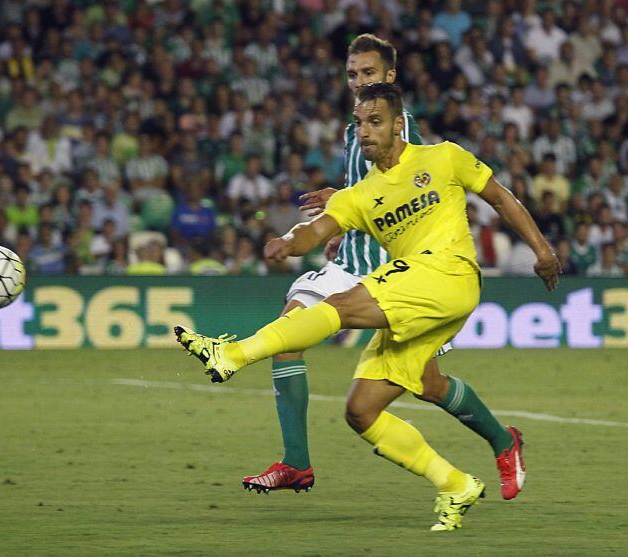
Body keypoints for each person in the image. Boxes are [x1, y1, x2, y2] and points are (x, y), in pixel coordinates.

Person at [176, 83, 560, 532]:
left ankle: (234, 355)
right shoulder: (359, 195)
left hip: (450, 273)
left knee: (344, 304)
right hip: (421, 293)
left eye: (375, 121)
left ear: (399, 124)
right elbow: (316, 231)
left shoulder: (443, 157)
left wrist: (542, 249)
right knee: (362, 410)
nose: (366, 132)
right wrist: (287, 241)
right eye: (359, 123)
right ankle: (455, 483)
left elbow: (499, 197)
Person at [241, 34, 524, 506]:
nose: (358, 82)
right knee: (288, 332)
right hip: (353, 261)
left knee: (429, 384)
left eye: (368, 74)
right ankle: (296, 462)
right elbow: (366, 193)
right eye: (352, 74)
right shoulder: (358, 126)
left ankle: (501, 441)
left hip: (396, 271)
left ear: (390, 78)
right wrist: (340, 213)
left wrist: (349, 213)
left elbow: (407, 199)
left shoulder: (399, 128)